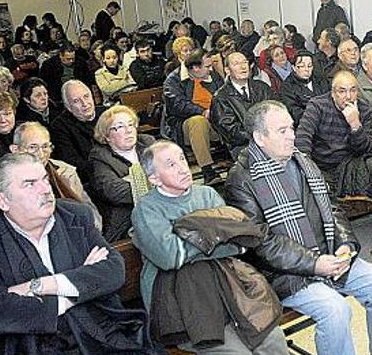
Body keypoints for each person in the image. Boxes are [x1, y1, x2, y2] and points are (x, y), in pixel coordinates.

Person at [224, 101, 372, 355]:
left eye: (291, 128)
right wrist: (314, 264)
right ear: (259, 138)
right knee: (335, 310)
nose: (291, 136)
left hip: (329, 256)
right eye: (282, 131)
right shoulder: (242, 179)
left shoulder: (302, 160)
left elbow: (332, 209)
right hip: (285, 275)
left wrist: (345, 245)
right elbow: (261, 244)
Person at [0, 153, 179, 355]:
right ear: (3, 201)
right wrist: (80, 285)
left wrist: (43, 286)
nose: (45, 189)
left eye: (44, 179)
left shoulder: (74, 215)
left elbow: (113, 271)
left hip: (99, 340)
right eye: (30, 184)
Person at [131, 140, 302, 355]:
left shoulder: (207, 194)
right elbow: (171, 257)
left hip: (231, 287)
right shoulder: (147, 210)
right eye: (171, 164)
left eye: (181, 158)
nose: (182, 167)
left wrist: (190, 234)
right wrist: (213, 235)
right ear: (155, 178)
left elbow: (239, 242)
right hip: (187, 303)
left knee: (271, 340)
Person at [295, 72, 372, 240]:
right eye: (342, 91)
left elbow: (366, 148)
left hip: (350, 162)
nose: (348, 96)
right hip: (323, 165)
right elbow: (303, 139)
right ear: (333, 92)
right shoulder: (317, 106)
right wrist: (309, 170)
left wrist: (355, 125)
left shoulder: (362, 108)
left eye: (353, 90)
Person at [0, 122, 103, 233]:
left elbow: (90, 212)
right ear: (15, 150)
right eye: (32, 147)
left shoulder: (65, 172)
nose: (41, 154)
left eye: (45, 146)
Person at [89, 106, 155, 242]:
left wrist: (133, 180)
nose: (129, 130)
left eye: (131, 124)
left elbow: (171, 172)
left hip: (161, 210)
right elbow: (114, 192)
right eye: (120, 127)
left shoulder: (148, 143)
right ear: (107, 136)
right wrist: (155, 181)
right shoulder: (100, 157)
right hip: (127, 221)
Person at [161, 48, 224, 184]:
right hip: (185, 125)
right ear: (195, 68)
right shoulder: (173, 80)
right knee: (198, 122)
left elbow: (224, 96)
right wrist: (202, 111)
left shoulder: (213, 76)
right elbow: (178, 105)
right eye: (207, 67)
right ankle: (207, 171)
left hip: (216, 119)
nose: (211, 70)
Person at [211, 52, 275, 158]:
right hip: (243, 146)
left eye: (245, 62)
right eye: (236, 64)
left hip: (269, 138)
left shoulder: (262, 88)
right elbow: (230, 131)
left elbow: (276, 113)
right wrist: (259, 135)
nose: (243, 67)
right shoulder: (221, 97)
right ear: (227, 70)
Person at [49, 80, 106, 186]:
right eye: (76, 101)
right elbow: (73, 163)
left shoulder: (106, 114)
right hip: (91, 179)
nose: (85, 104)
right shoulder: (59, 127)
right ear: (68, 106)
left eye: (86, 96)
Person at [280, 51, 329, 127]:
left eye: (309, 66)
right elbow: (294, 112)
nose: (307, 69)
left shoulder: (321, 81)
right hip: (305, 126)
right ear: (294, 68)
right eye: (302, 66)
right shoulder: (287, 87)